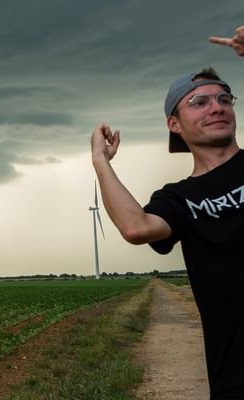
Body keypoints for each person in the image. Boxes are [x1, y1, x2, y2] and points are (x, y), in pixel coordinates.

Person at [91, 26, 244, 400]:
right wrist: (101, 162)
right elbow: (135, 227)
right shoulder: (178, 198)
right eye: (200, 102)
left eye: (224, 98)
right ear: (174, 124)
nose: (217, 107)